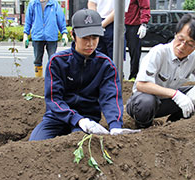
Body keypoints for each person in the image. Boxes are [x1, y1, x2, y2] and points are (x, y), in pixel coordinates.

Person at [29, 9, 139, 141]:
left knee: (78, 145)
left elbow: (110, 98)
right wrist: (78, 119)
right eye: (85, 38)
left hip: (89, 119)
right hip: (57, 117)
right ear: (73, 35)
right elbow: (54, 99)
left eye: (94, 38)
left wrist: (115, 125)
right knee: (35, 144)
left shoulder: (106, 65)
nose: (90, 43)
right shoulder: (57, 62)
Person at [126, 13, 195, 128]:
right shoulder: (159, 52)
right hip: (142, 102)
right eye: (180, 39)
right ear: (176, 34)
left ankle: (173, 125)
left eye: (189, 44)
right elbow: (141, 85)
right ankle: (144, 126)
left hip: (166, 102)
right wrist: (175, 94)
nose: (182, 46)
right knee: (147, 102)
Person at [23, 0, 69, 77]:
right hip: (37, 36)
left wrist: (64, 33)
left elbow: (61, 19)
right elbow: (28, 20)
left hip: (51, 36)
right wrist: (25, 35)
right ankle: (38, 79)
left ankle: (51, 80)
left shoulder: (54, 4)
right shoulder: (33, 4)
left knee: (52, 60)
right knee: (37, 60)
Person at [125, 0, 150, 80]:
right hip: (117, 23)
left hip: (134, 25)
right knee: (116, 51)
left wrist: (144, 23)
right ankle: (117, 74)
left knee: (135, 52)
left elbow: (145, 7)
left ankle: (133, 75)